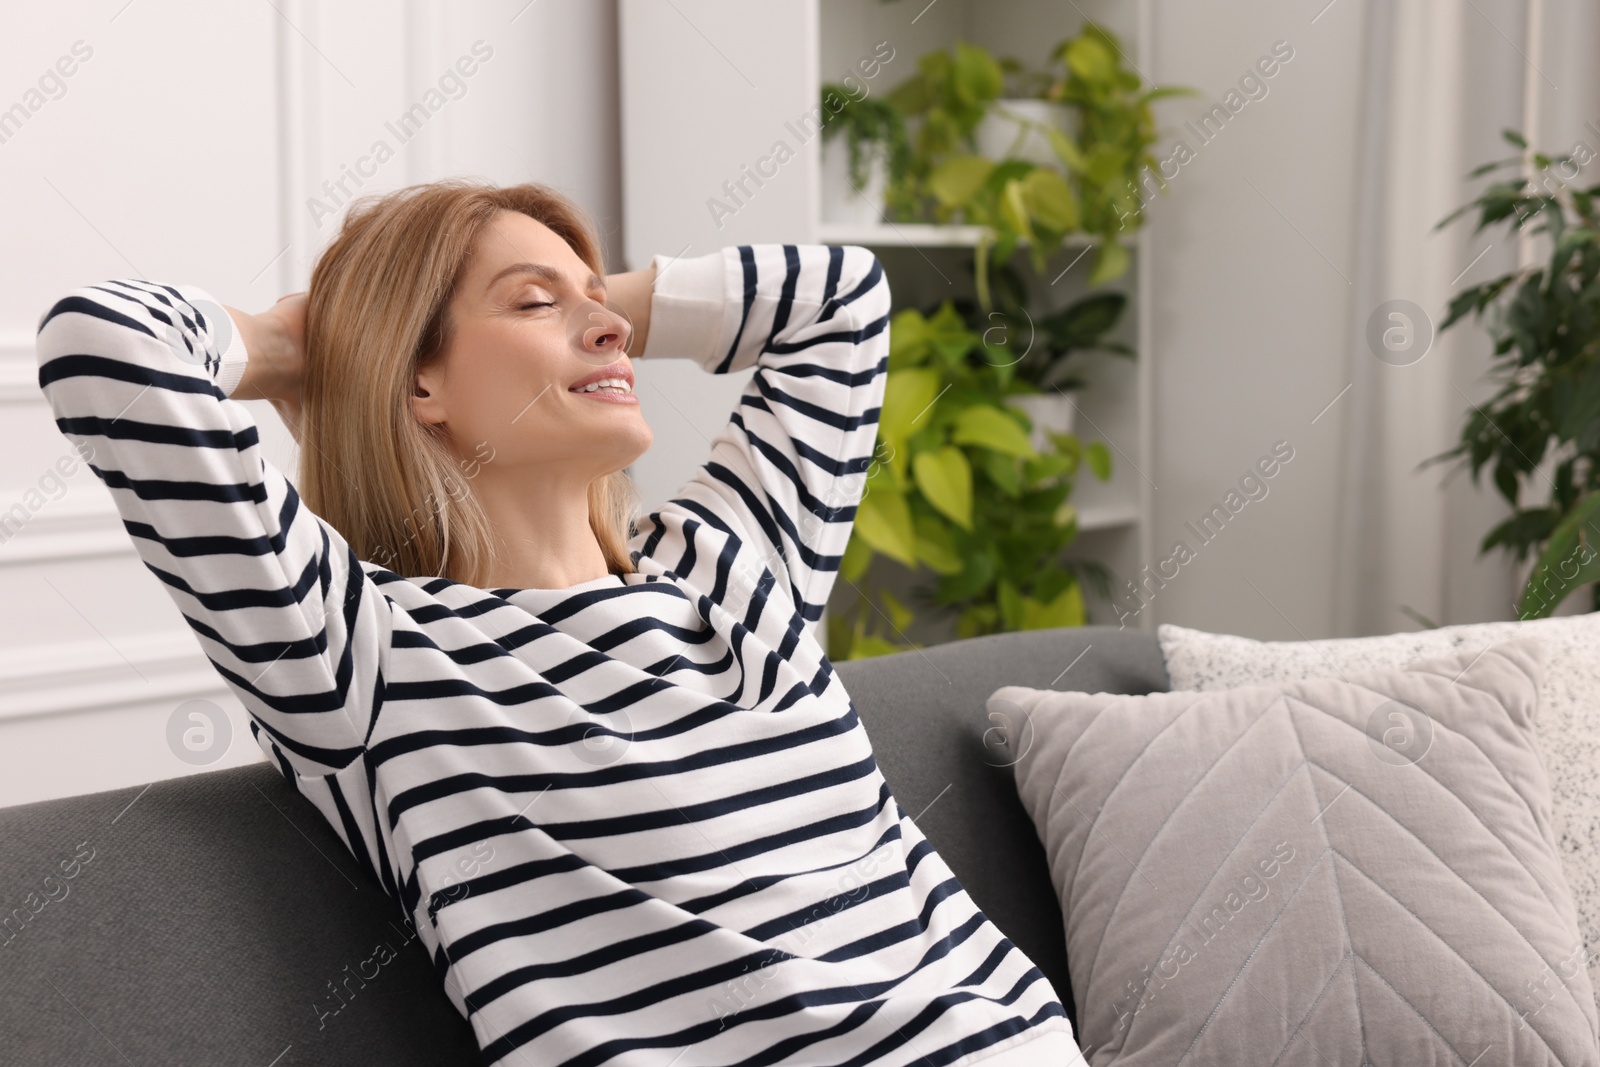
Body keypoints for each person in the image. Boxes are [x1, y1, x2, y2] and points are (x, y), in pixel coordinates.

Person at [35, 179, 1079, 1066]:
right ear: (419, 379)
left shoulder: (729, 570)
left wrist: (579, 302)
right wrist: (300, 344)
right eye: (531, 302)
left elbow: (839, 303)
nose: (611, 326)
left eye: (602, 302)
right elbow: (103, 346)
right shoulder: (367, 655)